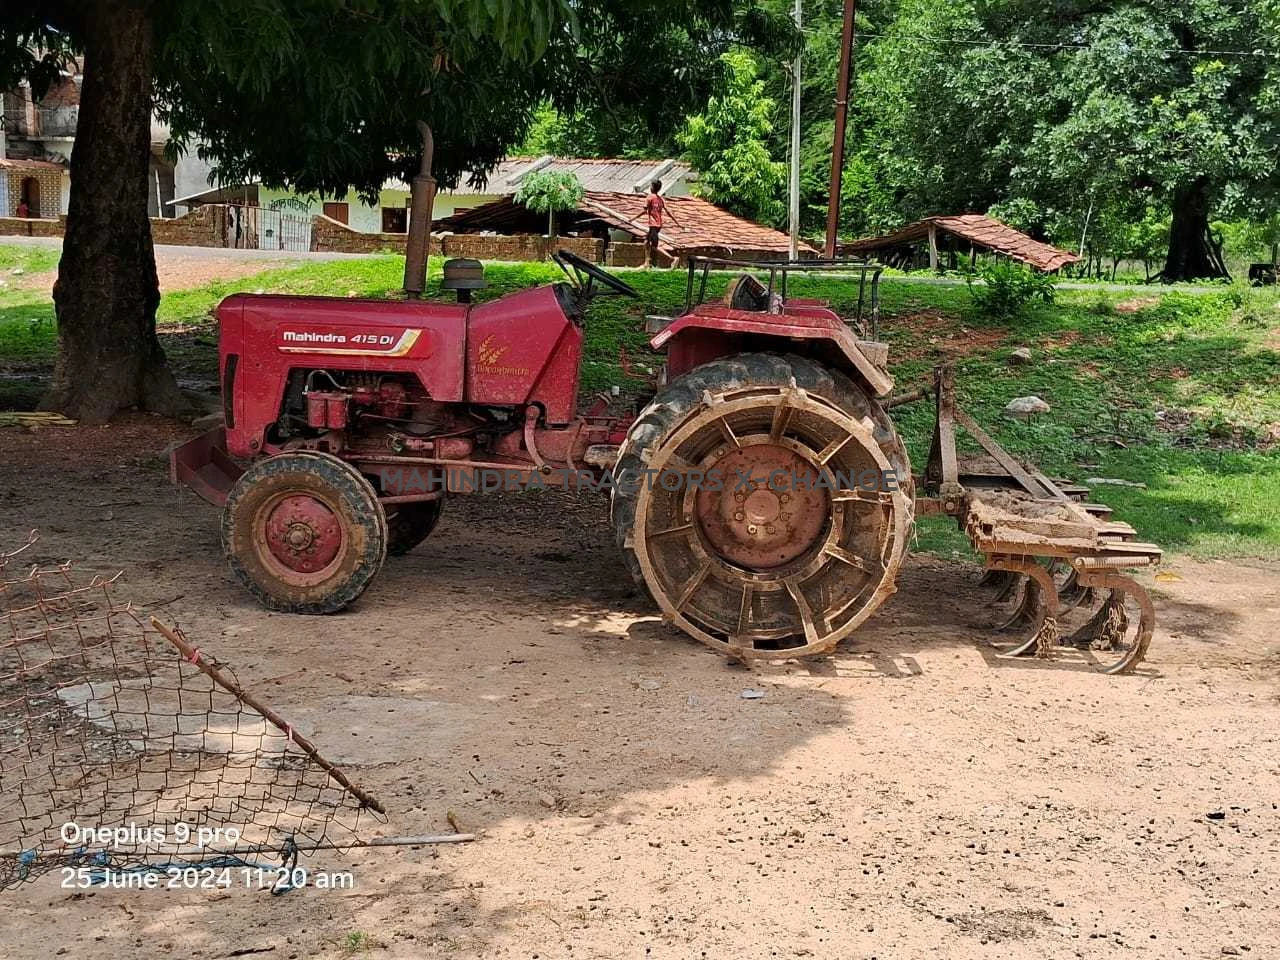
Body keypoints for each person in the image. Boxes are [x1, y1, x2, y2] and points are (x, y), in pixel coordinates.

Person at [641, 180, 679, 268]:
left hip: (653, 225)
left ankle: (672, 258)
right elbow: (668, 212)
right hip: (658, 225)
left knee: (655, 246)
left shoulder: (649, 197)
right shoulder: (660, 199)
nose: (650, 188)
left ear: (653, 187)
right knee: (646, 242)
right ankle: (647, 263)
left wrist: (633, 218)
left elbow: (644, 211)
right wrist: (677, 223)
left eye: (650, 186)